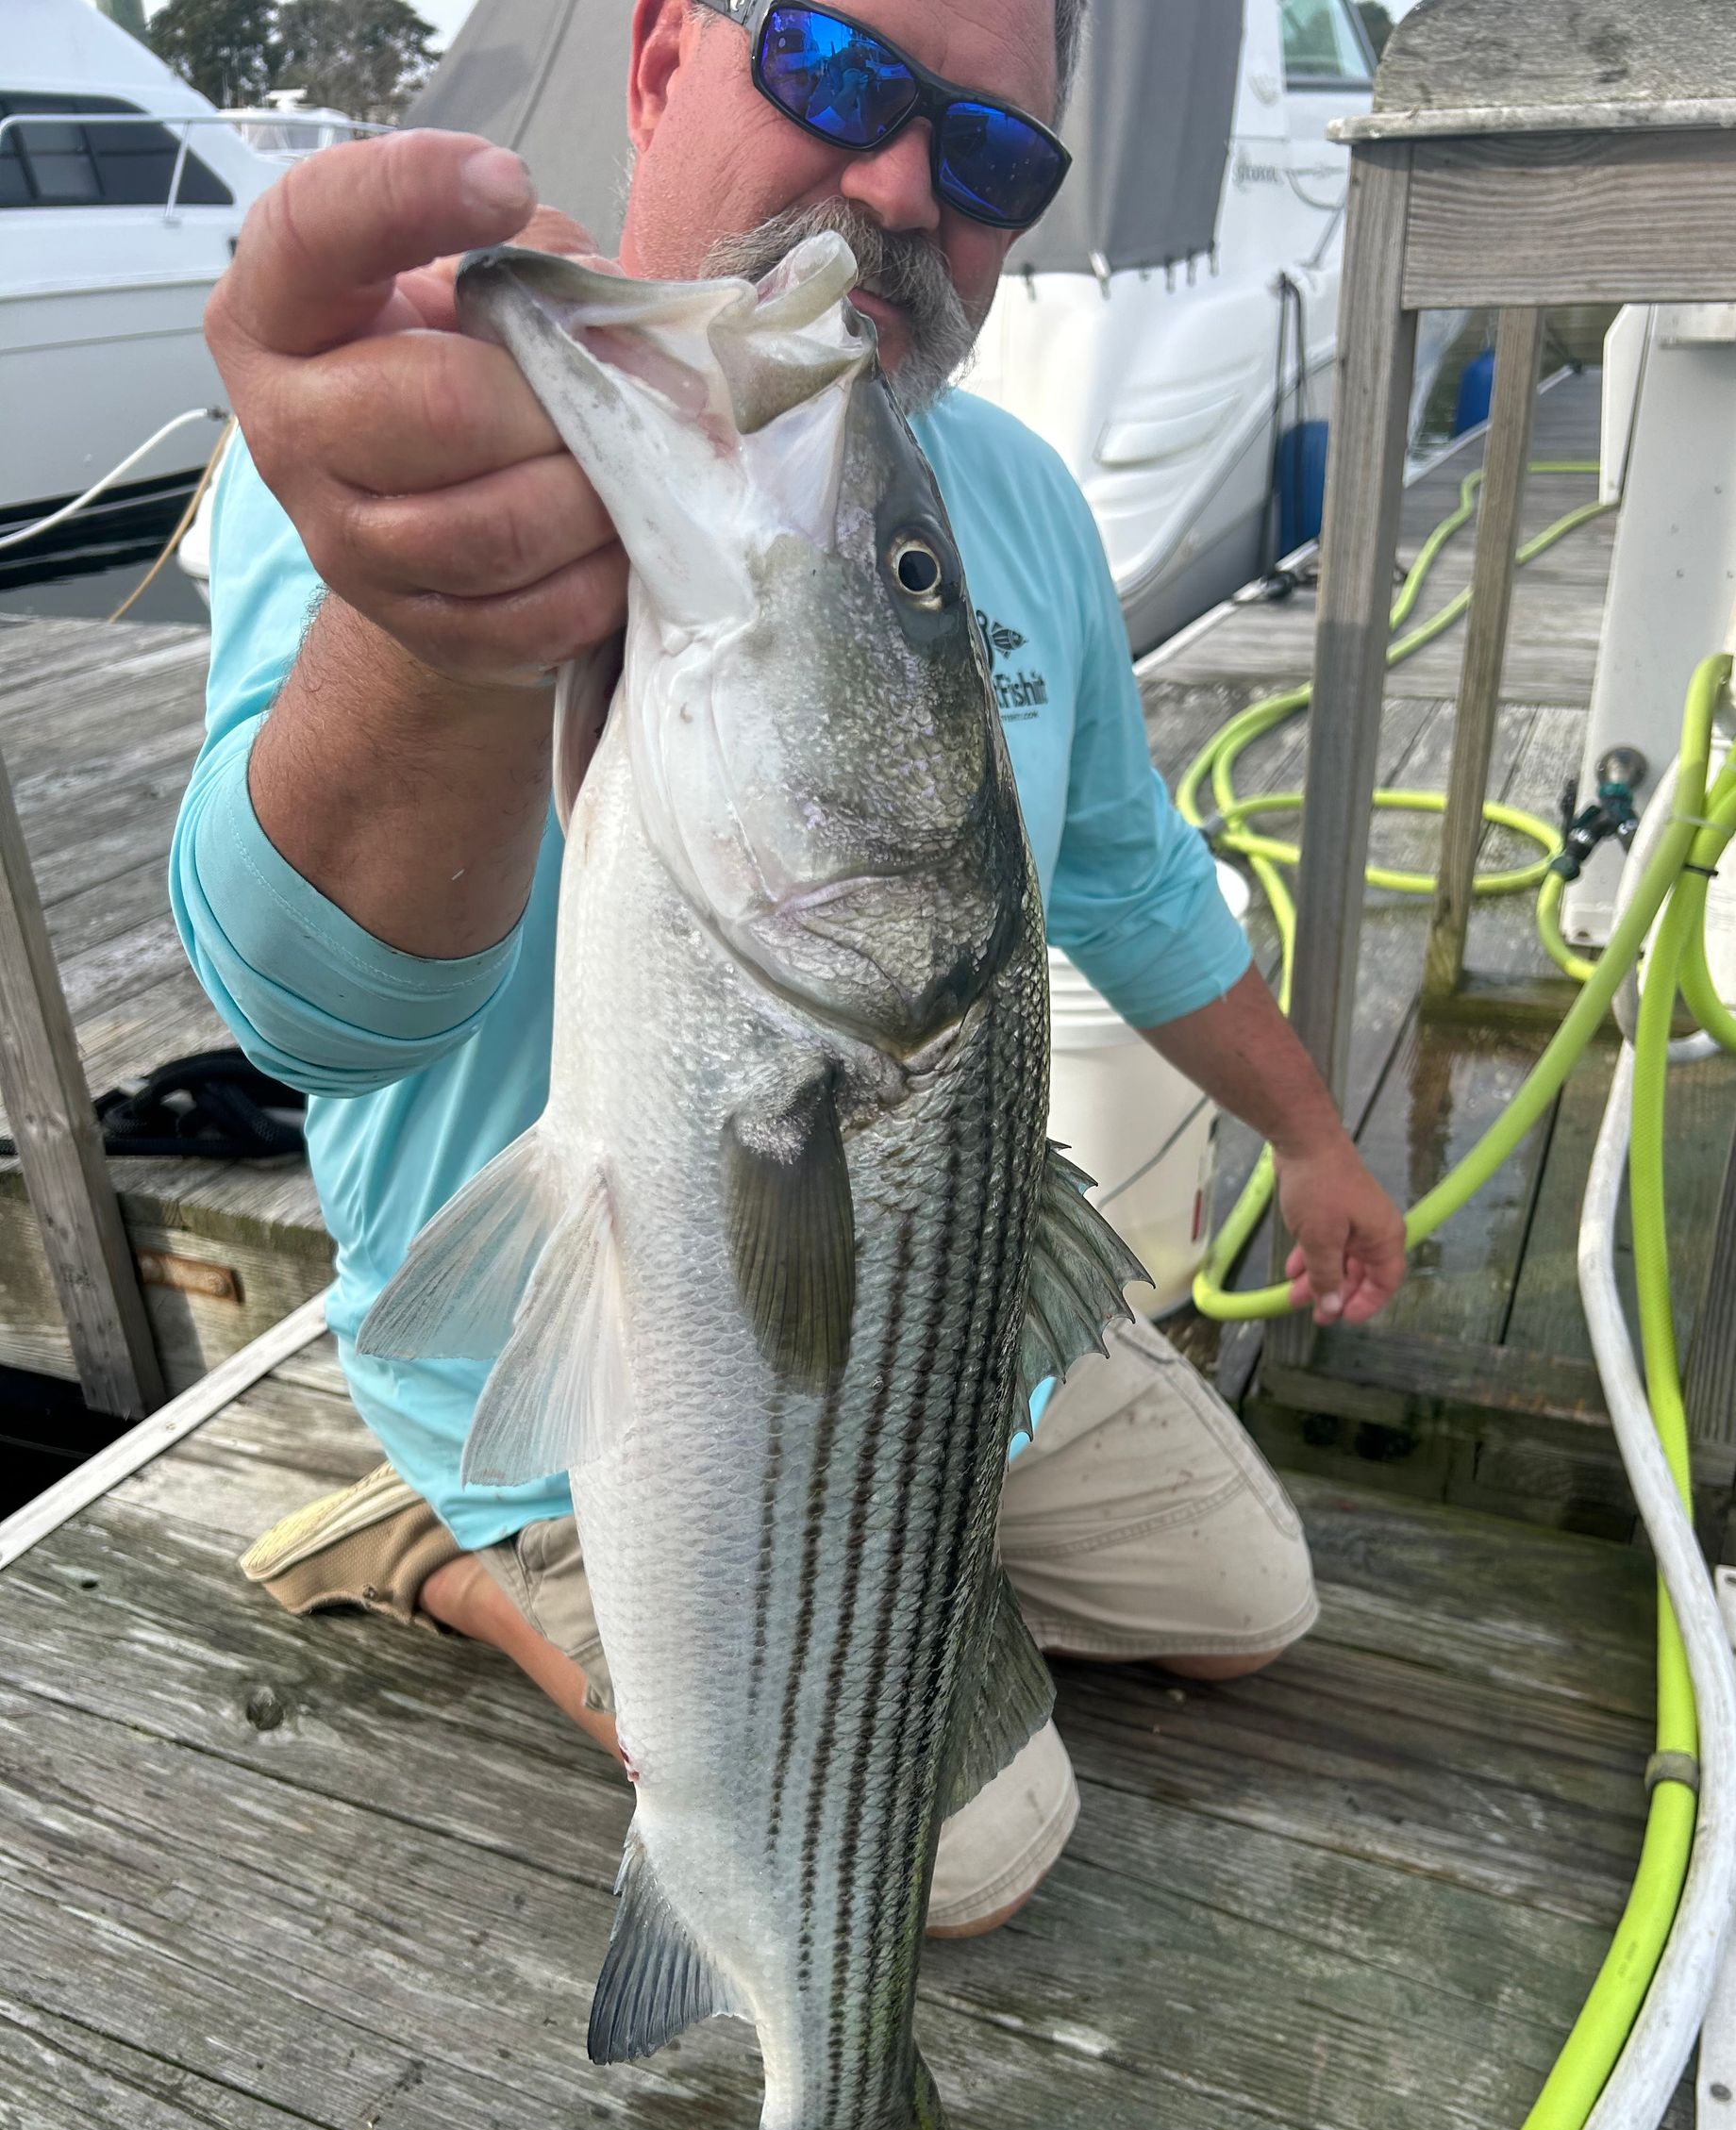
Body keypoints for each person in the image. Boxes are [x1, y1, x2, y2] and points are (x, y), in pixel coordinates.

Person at [175, 0, 1407, 1941]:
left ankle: (898, 1555)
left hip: (928, 1303)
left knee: (1256, 1604)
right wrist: (429, 636)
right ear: (662, 65)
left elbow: (1138, 886)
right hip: (592, 1359)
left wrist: (1318, 1143)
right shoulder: (434, 428)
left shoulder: (1002, 498)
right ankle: (458, 1543)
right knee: (969, 1866)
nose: (905, 183)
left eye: (994, 162)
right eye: (839, 70)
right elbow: (316, 1012)